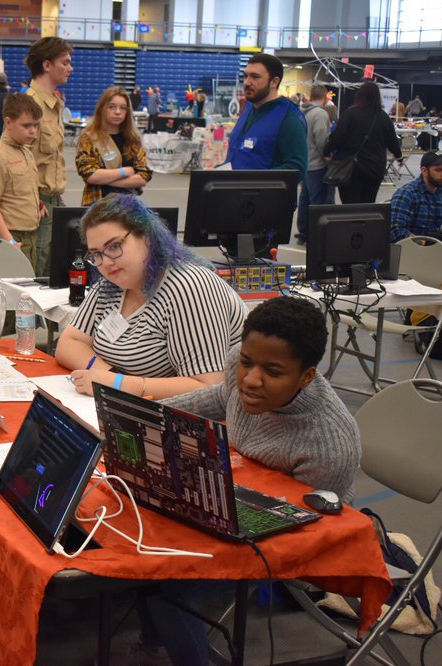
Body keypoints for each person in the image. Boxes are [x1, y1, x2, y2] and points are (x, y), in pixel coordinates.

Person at [139, 296, 360, 665]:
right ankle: (153, 634)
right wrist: (147, 416)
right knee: (143, 545)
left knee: (170, 588)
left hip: (289, 536)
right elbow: (220, 396)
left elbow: (307, 538)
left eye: (273, 372)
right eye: (246, 363)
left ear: (307, 376)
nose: (251, 380)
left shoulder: (329, 443)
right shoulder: (242, 368)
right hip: (235, 495)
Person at [57, 194, 245, 400]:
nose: (106, 262)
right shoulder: (111, 284)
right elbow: (69, 343)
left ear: (147, 237)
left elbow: (208, 387)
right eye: (96, 254)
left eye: (114, 246)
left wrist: (120, 385)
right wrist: (110, 375)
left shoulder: (190, 287)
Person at [0, 93, 45, 273]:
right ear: (8, 122)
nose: (33, 131)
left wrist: (37, 204)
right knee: (7, 294)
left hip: (29, 236)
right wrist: (9, 241)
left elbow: (21, 188)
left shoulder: (26, 152)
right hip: (9, 237)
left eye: (36, 125)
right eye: (26, 125)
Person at [25, 36, 74, 277]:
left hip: (53, 200)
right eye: (64, 62)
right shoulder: (29, 105)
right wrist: (33, 201)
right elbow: (19, 160)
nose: (70, 68)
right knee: (37, 271)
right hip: (36, 202)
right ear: (47, 65)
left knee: (51, 268)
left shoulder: (53, 104)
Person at [226, 53, 307, 179]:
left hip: (264, 196)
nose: (247, 82)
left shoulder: (289, 118)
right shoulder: (249, 108)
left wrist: (253, 180)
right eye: (246, 76)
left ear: (274, 82)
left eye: (255, 77)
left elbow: (297, 168)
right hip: (235, 194)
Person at [323, 81, 403, 204]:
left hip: (351, 169)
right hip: (375, 168)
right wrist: (399, 157)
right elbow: (393, 142)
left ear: (359, 95)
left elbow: (337, 138)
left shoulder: (350, 114)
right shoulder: (384, 118)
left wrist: (326, 151)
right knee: (368, 205)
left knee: (350, 205)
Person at [75, 86, 152, 206]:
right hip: (97, 206)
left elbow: (143, 178)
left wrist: (106, 179)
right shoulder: (89, 139)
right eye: (112, 107)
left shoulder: (133, 140)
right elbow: (91, 175)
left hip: (129, 207)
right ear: (102, 109)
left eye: (123, 108)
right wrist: (124, 171)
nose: (118, 112)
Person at [296, 85, 335, 244]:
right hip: (317, 165)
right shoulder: (320, 114)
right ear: (325, 97)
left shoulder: (300, 112)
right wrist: (327, 156)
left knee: (304, 200)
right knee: (318, 201)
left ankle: (303, 233)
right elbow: (321, 139)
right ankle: (316, 236)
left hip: (305, 163)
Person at [389, 149, 442, 242]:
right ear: (424, 171)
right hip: (412, 251)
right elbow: (395, 231)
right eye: (439, 170)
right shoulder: (407, 194)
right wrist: (424, 243)